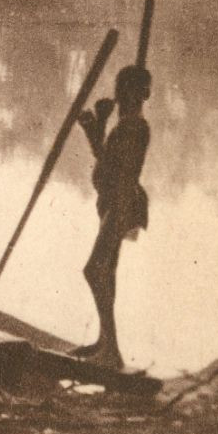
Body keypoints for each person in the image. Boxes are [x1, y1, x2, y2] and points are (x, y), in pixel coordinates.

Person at [71, 64, 152, 371]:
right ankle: (106, 342)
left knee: (94, 270)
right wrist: (97, 128)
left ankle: (112, 349)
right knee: (108, 271)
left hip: (121, 204)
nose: (122, 95)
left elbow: (116, 169)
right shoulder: (127, 124)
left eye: (128, 90)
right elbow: (106, 161)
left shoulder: (135, 127)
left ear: (143, 94)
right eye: (120, 89)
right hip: (113, 203)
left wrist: (97, 127)